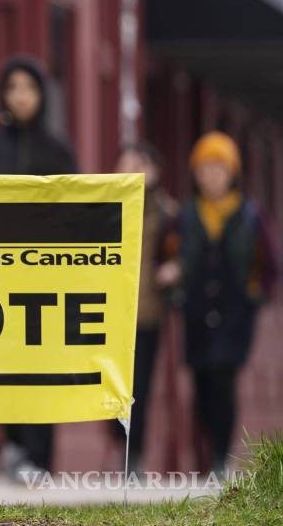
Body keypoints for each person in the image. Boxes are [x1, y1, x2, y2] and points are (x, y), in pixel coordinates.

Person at [0, 55, 77, 482]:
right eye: (12, 88)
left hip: (45, 280)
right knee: (4, 365)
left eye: (28, 88)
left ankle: (40, 457)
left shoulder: (58, 151)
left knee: (43, 368)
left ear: (42, 95)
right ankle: (13, 444)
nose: (20, 96)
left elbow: (75, 214)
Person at [157, 131, 276, 475]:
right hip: (195, 311)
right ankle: (205, 453)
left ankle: (221, 457)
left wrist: (256, 294)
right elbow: (165, 255)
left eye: (218, 168)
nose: (211, 176)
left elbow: (269, 264)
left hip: (234, 313)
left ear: (232, 172)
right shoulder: (186, 215)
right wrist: (173, 288)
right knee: (201, 383)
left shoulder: (250, 215)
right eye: (205, 169)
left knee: (224, 382)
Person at [113, 142, 177, 470]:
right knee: (110, 385)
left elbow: (180, 251)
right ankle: (118, 445)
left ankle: (132, 455)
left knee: (140, 389)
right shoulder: (104, 205)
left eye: (140, 165)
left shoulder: (165, 211)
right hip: (106, 314)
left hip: (146, 312)